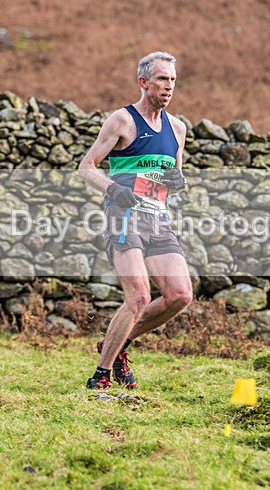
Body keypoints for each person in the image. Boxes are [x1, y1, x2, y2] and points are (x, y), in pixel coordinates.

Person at [78, 51, 193, 389]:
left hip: (158, 219)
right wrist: (114, 189)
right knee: (139, 297)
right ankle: (100, 375)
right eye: (162, 79)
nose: (169, 86)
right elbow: (86, 167)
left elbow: (173, 177)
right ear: (144, 82)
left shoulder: (178, 128)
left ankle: (117, 343)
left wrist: (179, 181)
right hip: (124, 215)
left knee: (180, 296)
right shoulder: (122, 120)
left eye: (173, 80)